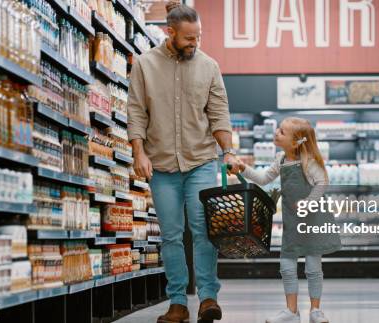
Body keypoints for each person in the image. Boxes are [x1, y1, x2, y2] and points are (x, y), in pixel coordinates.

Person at [127, 2, 237, 323]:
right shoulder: (145, 65)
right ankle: (177, 302)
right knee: (172, 235)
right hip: (161, 165)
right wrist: (138, 152)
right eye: (189, 38)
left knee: (204, 231)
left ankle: (207, 299)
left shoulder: (209, 66)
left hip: (202, 161)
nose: (195, 44)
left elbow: (219, 113)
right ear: (169, 32)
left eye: (198, 37)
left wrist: (228, 151)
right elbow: (136, 111)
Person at [232, 117, 341, 323]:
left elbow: (322, 182)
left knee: (313, 267)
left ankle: (315, 311)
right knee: (286, 265)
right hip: (293, 223)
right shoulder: (281, 160)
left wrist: (309, 203)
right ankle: (292, 311)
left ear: (296, 141)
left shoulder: (308, 162)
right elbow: (263, 179)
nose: (276, 133)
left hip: (313, 221)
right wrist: (243, 168)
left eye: (282, 132)